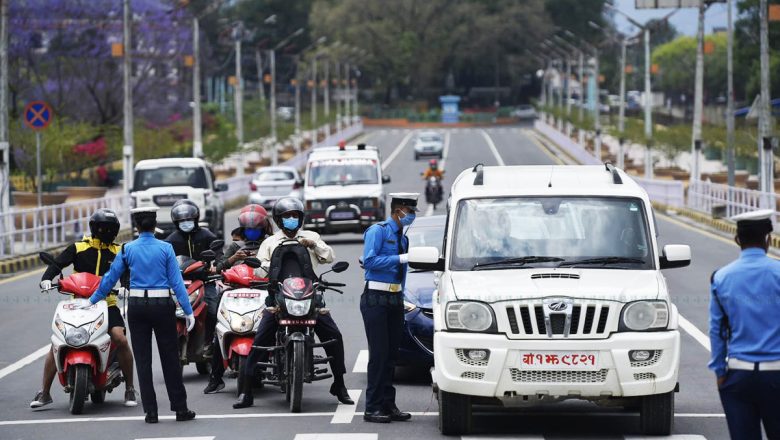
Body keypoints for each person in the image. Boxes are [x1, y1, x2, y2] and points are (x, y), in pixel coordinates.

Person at [233, 197, 353, 408]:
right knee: (259, 340)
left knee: (334, 336)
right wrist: (264, 266)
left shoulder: (311, 236)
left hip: (310, 297)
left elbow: (329, 257)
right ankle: (247, 390)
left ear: (301, 218)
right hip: (278, 298)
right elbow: (260, 270)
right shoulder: (270, 242)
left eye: (295, 216)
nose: (291, 219)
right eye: (287, 216)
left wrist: (313, 245)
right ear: (279, 220)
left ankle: (340, 384)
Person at [88, 207, 196, 424]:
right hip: (162, 306)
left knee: (144, 360)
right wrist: (188, 310)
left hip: (137, 307)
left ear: (136, 226)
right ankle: (180, 409)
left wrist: (91, 301)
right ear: (154, 224)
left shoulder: (127, 249)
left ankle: (151, 412)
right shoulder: (166, 248)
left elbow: (109, 279)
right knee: (170, 359)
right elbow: (177, 283)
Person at [31, 209, 137, 409]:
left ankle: (130, 387)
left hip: (108, 304)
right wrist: (46, 279)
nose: (105, 231)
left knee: (120, 338)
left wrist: (125, 286)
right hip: (77, 304)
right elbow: (57, 264)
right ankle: (44, 392)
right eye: (101, 227)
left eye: (110, 228)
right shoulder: (78, 248)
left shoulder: (118, 251)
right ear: (93, 228)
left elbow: (126, 274)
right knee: (57, 342)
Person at [709, 209, 780, 440]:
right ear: (768, 239)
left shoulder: (721, 277)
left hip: (738, 375)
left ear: (737, 239)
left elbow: (717, 331)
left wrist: (720, 371)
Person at [360, 193, 418, 423]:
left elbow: (399, 273)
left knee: (392, 355)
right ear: (398, 210)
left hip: (394, 298)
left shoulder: (403, 238)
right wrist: (401, 259)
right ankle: (372, 407)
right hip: (376, 296)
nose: (411, 216)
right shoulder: (378, 231)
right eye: (409, 212)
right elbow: (370, 261)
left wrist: (401, 294)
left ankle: (387, 403)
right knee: (379, 354)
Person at [203, 204, 271, 394]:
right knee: (221, 330)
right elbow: (218, 267)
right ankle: (216, 378)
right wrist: (234, 258)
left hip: (263, 291)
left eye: (256, 230)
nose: (252, 233)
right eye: (249, 230)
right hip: (235, 292)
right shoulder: (234, 246)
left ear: (263, 228)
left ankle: (280, 364)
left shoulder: (270, 244)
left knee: (273, 327)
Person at [165, 199, 221, 357]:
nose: (186, 223)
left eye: (189, 219)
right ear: (176, 222)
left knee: (212, 310)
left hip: (205, 281)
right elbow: (162, 261)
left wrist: (215, 266)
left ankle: (210, 343)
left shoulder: (207, 236)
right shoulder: (171, 241)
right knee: (163, 311)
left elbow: (219, 254)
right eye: (182, 221)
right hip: (178, 284)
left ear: (196, 219)